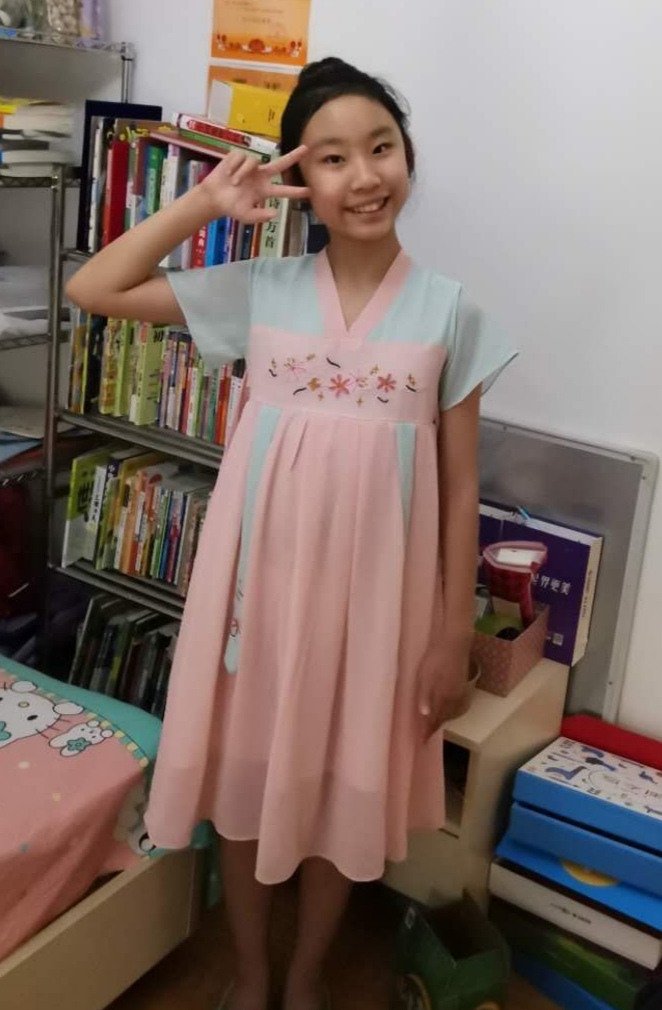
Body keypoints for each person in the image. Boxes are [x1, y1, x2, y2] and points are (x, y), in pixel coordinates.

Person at [66, 56, 516, 1010]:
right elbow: (94, 288)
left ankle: (307, 976)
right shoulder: (261, 290)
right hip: (256, 606)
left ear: (407, 156)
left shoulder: (451, 312)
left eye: (382, 148)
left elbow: (460, 483)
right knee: (246, 788)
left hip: (377, 618)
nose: (365, 176)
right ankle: (253, 970)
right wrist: (204, 204)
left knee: (340, 798)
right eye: (334, 158)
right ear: (300, 178)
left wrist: (450, 636)